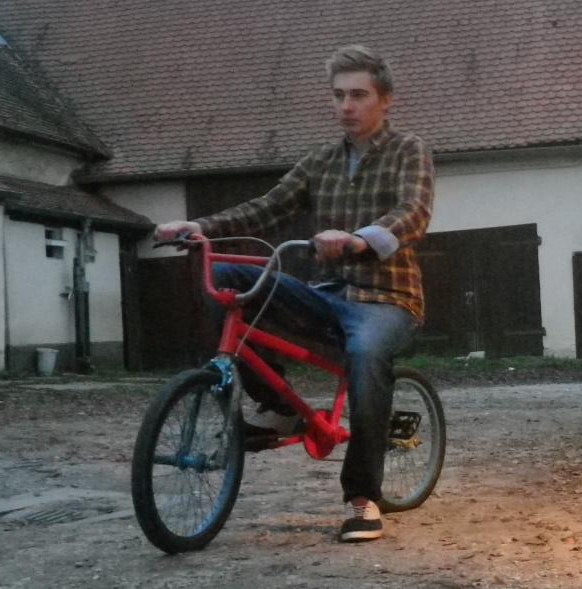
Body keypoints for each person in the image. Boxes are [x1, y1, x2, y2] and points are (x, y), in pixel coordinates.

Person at [154, 45, 434, 542]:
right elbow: (267, 207)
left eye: (358, 95)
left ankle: (363, 498)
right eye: (338, 95)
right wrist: (199, 226)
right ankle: (278, 407)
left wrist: (358, 239)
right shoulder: (320, 161)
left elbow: (412, 212)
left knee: (366, 355)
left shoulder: (408, 150)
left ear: (385, 99)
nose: (346, 105)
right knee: (232, 280)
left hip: (388, 299)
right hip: (328, 294)